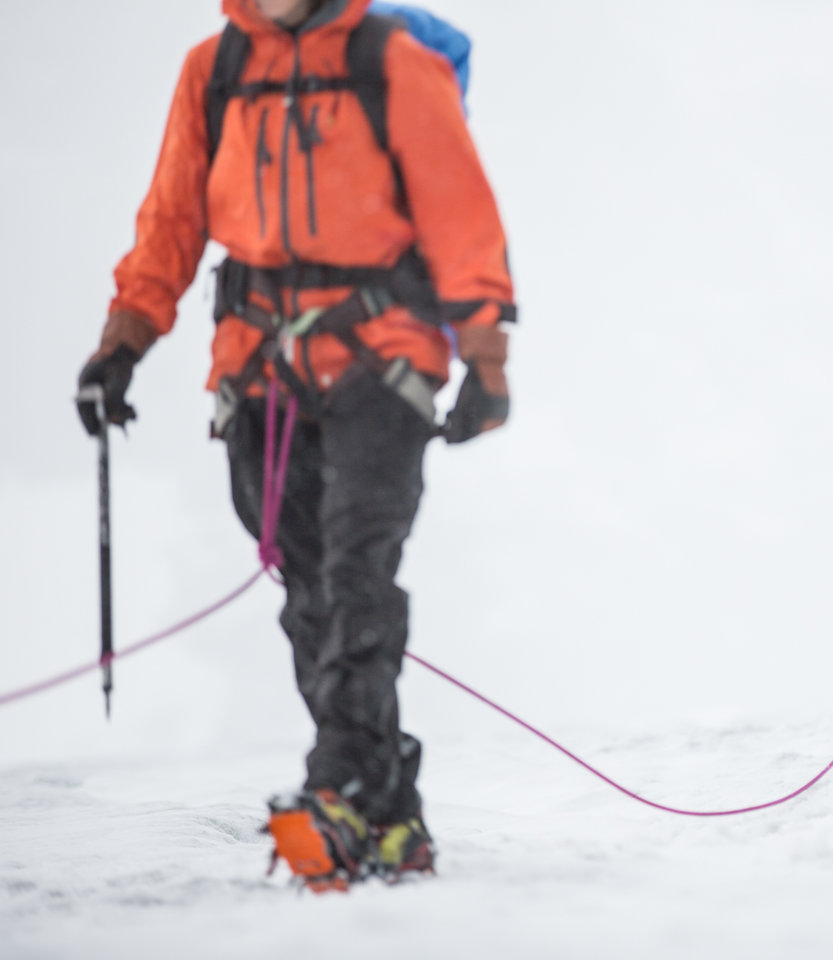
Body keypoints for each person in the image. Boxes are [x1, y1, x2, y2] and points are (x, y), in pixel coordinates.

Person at [75, 0, 515, 889]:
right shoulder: (216, 69)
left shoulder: (390, 58)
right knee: (310, 589)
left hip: (383, 360)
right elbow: (171, 220)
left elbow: (459, 210)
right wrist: (122, 343)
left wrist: (487, 361)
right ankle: (391, 821)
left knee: (356, 569)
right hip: (259, 369)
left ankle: (343, 788)